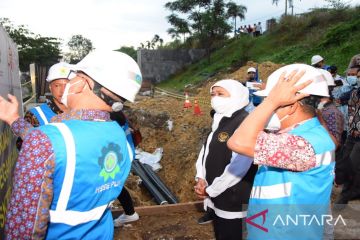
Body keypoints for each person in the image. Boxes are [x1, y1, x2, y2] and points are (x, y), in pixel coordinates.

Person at [0, 50, 142, 239]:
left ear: (81, 84)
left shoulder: (46, 141)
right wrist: (14, 119)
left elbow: (24, 228)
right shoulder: (120, 135)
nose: (68, 83)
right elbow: (60, 148)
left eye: (74, 76)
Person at [228, 64, 336, 239]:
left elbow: (238, 141)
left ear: (292, 106)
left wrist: (272, 100)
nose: (266, 107)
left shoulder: (304, 144)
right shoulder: (304, 135)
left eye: (273, 104)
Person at [194, 79, 257, 240]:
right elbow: (206, 149)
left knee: (232, 233)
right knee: (220, 232)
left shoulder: (244, 121)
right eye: (213, 94)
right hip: (215, 190)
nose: (215, 98)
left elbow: (239, 167)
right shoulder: (220, 119)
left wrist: (211, 190)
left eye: (221, 94)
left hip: (233, 194)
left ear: (237, 95)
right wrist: (201, 177)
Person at [16, 62, 73, 149]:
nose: (63, 91)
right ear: (50, 87)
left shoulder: (84, 112)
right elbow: (23, 148)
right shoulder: (35, 115)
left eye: (67, 86)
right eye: (57, 86)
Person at [111, 110, 140, 227]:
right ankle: (130, 213)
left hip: (118, 154)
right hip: (124, 152)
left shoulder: (111, 116)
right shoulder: (118, 113)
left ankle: (130, 213)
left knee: (111, 183)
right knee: (113, 183)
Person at [335, 68, 360, 207]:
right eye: (357, 76)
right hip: (351, 133)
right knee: (344, 161)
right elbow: (343, 103)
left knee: (352, 164)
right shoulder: (354, 92)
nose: (357, 78)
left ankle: (343, 199)